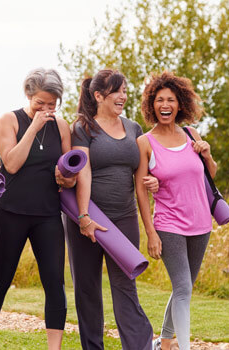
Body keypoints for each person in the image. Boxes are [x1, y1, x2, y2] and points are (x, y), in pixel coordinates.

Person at [0, 68, 75, 350]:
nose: (46, 110)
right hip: (10, 212)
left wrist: (67, 177)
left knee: (54, 283)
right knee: (0, 280)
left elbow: (69, 169)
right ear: (28, 95)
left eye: (52, 105)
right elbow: (11, 164)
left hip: (47, 215)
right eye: (40, 104)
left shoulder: (61, 126)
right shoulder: (9, 120)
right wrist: (33, 127)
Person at [65, 69, 156, 350]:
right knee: (87, 289)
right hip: (88, 217)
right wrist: (83, 216)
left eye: (125, 91)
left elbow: (142, 176)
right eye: (117, 91)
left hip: (124, 218)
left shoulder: (134, 129)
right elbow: (83, 172)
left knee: (125, 286)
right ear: (98, 95)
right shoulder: (83, 127)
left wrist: (155, 179)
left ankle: (139, 346)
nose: (123, 97)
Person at [135, 71, 216, 350]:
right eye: (159, 100)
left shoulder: (191, 134)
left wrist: (206, 154)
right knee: (183, 289)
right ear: (151, 105)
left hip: (202, 223)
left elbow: (210, 175)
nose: (165, 104)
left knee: (185, 289)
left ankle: (163, 343)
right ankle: (184, 347)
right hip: (169, 224)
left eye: (170, 99)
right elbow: (141, 192)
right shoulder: (145, 142)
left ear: (180, 104)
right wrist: (150, 233)